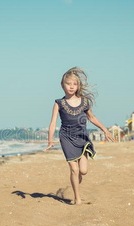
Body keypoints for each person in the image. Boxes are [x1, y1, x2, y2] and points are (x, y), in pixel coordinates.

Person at [43, 67, 115, 205]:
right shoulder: (59, 103)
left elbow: (92, 118)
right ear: (62, 85)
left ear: (78, 86)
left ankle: (76, 177)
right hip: (66, 137)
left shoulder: (84, 102)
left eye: (74, 84)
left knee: (83, 171)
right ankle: (77, 198)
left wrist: (105, 130)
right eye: (68, 83)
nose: (71, 86)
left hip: (82, 137)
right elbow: (52, 123)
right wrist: (50, 140)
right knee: (74, 169)